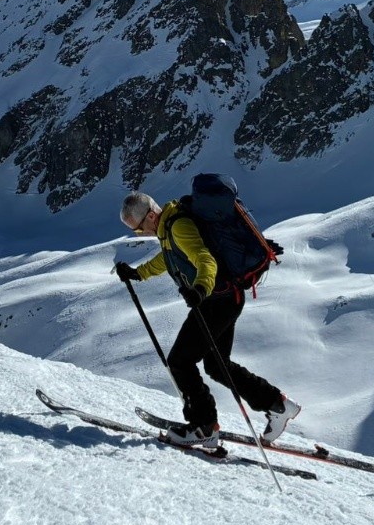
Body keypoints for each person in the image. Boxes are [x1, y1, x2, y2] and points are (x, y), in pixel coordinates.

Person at [114, 189, 301, 451]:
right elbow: (170, 259)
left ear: (151, 215)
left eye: (139, 228)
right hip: (224, 298)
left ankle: (203, 427)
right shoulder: (169, 228)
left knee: (180, 361)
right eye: (136, 232)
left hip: (217, 300)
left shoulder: (178, 226)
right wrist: (138, 274)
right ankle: (277, 405)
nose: (141, 234)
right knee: (216, 364)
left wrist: (200, 288)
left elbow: (205, 260)